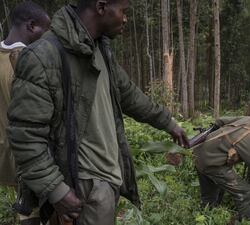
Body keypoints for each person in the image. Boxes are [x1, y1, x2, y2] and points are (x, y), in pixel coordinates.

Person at [7, 0, 188, 224]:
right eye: (123, 11)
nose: (125, 18)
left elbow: (129, 94)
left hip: (108, 181)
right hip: (81, 185)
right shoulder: (43, 57)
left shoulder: (99, 48)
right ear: (101, 7)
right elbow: (26, 136)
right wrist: (56, 190)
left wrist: (168, 123)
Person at [0, 2, 50, 225]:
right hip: (28, 152)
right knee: (31, 212)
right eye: (44, 30)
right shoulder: (27, 60)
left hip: (4, 152)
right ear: (31, 26)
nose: (45, 36)